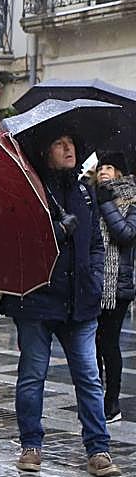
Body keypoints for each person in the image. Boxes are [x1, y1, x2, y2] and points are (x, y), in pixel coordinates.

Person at [0, 133, 120, 477]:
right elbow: (16, 242)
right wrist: (56, 230)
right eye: (59, 143)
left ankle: (98, 449)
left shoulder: (84, 191)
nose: (69, 149)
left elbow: (95, 243)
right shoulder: (29, 189)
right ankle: (31, 445)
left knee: (88, 377)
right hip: (36, 300)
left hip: (80, 302)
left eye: (71, 143)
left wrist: (94, 277)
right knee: (32, 375)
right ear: (44, 150)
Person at [95, 151, 136, 423]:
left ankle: (112, 403)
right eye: (100, 168)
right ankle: (94, 398)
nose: (103, 172)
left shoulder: (131, 201)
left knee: (108, 343)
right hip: (93, 283)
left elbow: (126, 235)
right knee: (92, 345)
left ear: (119, 173)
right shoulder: (93, 198)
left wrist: (107, 205)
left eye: (109, 167)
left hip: (117, 287)